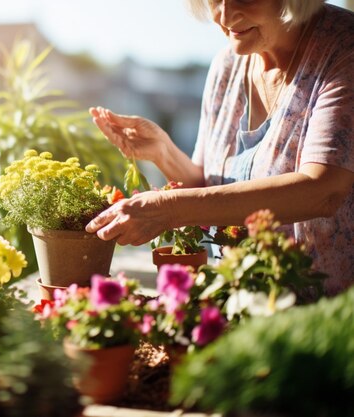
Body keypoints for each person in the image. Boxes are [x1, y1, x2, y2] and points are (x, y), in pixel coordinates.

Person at [86, 0, 354, 296]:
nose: (224, 16)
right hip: (239, 303)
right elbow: (206, 187)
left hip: (329, 316)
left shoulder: (344, 47)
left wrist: (168, 209)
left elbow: (324, 190)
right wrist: (163, 151)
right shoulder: (227, 64)